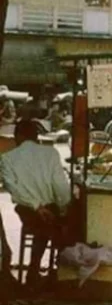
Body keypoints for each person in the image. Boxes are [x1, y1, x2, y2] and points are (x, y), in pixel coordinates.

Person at [0, 120, 76, 288]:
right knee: (62, 224)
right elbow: (60, 186)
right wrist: (62, 208)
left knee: (44, 225)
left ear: (17, 137)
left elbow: (14, 189)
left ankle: (36, 271)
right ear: (36, 136)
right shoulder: (51, 153)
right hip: (48, 208)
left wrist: (36, 206)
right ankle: (52, 271)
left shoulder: (7, 158)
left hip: (27, 210)